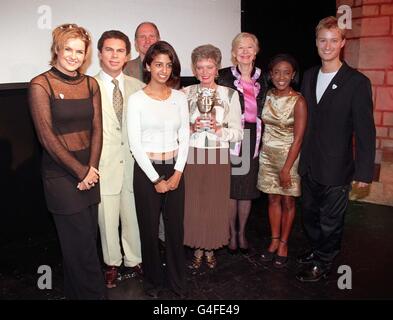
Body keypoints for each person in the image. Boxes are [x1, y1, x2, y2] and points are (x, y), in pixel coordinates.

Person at [28, 23, 105, 299]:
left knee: (84, 245)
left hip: (90, 173)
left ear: (86, 54)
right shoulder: (41, 84)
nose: (74, 56)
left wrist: (92, 169)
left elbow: (98, 128)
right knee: (81, 248)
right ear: (57, 50)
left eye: (79, 51)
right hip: (62, 176)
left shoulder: (90, 83)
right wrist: (80, 172)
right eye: (68, 49)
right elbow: (47, 138)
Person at [296, 16, 376, 282]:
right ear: (316, 42)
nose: (327, 46)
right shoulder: (308, 76)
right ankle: (317, 248)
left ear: (342, 43)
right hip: (309, 164)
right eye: (322, 40)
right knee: (309, 215)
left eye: (333, 40)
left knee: (331, 220)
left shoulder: (357, 82)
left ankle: (324, 260)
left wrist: (364, 172)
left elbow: (365, 131)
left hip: (337, 166)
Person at [127, 41, 189, 298]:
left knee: (175, 230)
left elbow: (185, 135)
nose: (164, 70)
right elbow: (135, 144)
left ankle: (177, 281)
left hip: (175, 167)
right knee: (149, 230)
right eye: (158, 64)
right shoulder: (136, 100)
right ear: (148, 66)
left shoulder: (179, 97)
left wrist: (177, 172)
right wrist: (155, 179)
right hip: (146, 171)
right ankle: (153, 281)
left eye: (168, 64)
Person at [183, 44, 243, 269]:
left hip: (218, 154)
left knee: (215, 204)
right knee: (194, 204)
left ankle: (210, 248)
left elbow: (238, 133)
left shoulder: (230, 95)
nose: (205, 72)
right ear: (194, 69)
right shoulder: (184, 93)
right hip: (193, 154)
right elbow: (176, 130)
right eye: (200, 67)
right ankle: (198, 248)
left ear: (217, 68)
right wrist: (190, 127)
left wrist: (220, 130)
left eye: (209, 67)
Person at [94, 30, 144, 288]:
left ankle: (134, 259)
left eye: (120, 51)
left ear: (127, 56)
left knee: (133, 215)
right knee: (107, 219)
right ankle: (111, 263)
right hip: (103, 166)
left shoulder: (139, 87)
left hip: (134, 164)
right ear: (100, 54)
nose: (114, 55)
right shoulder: (88, 86)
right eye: (109, 50)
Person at [218, 32, 268, 255]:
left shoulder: (264, 78)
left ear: (256, 52)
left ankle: (241, 233)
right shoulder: (223, 77)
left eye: (250, 47)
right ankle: (230, 232)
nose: (245, 52)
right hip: (230, 137)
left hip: (253, 138)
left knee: (246, 189)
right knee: (230, 189)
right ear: (234, 52)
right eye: (241, 48)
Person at [257, 54, 307, 268]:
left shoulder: (299, 101)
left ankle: (284, 243)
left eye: (286, 72)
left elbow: (298, 138)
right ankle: (274, 240)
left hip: (289, 157)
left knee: (288, 201)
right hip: (267, 156)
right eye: (277, 72)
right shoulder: (267, 95)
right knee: (272, 200)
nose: (281, 76)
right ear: (270, 74)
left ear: (293, 75)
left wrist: (287, 168)